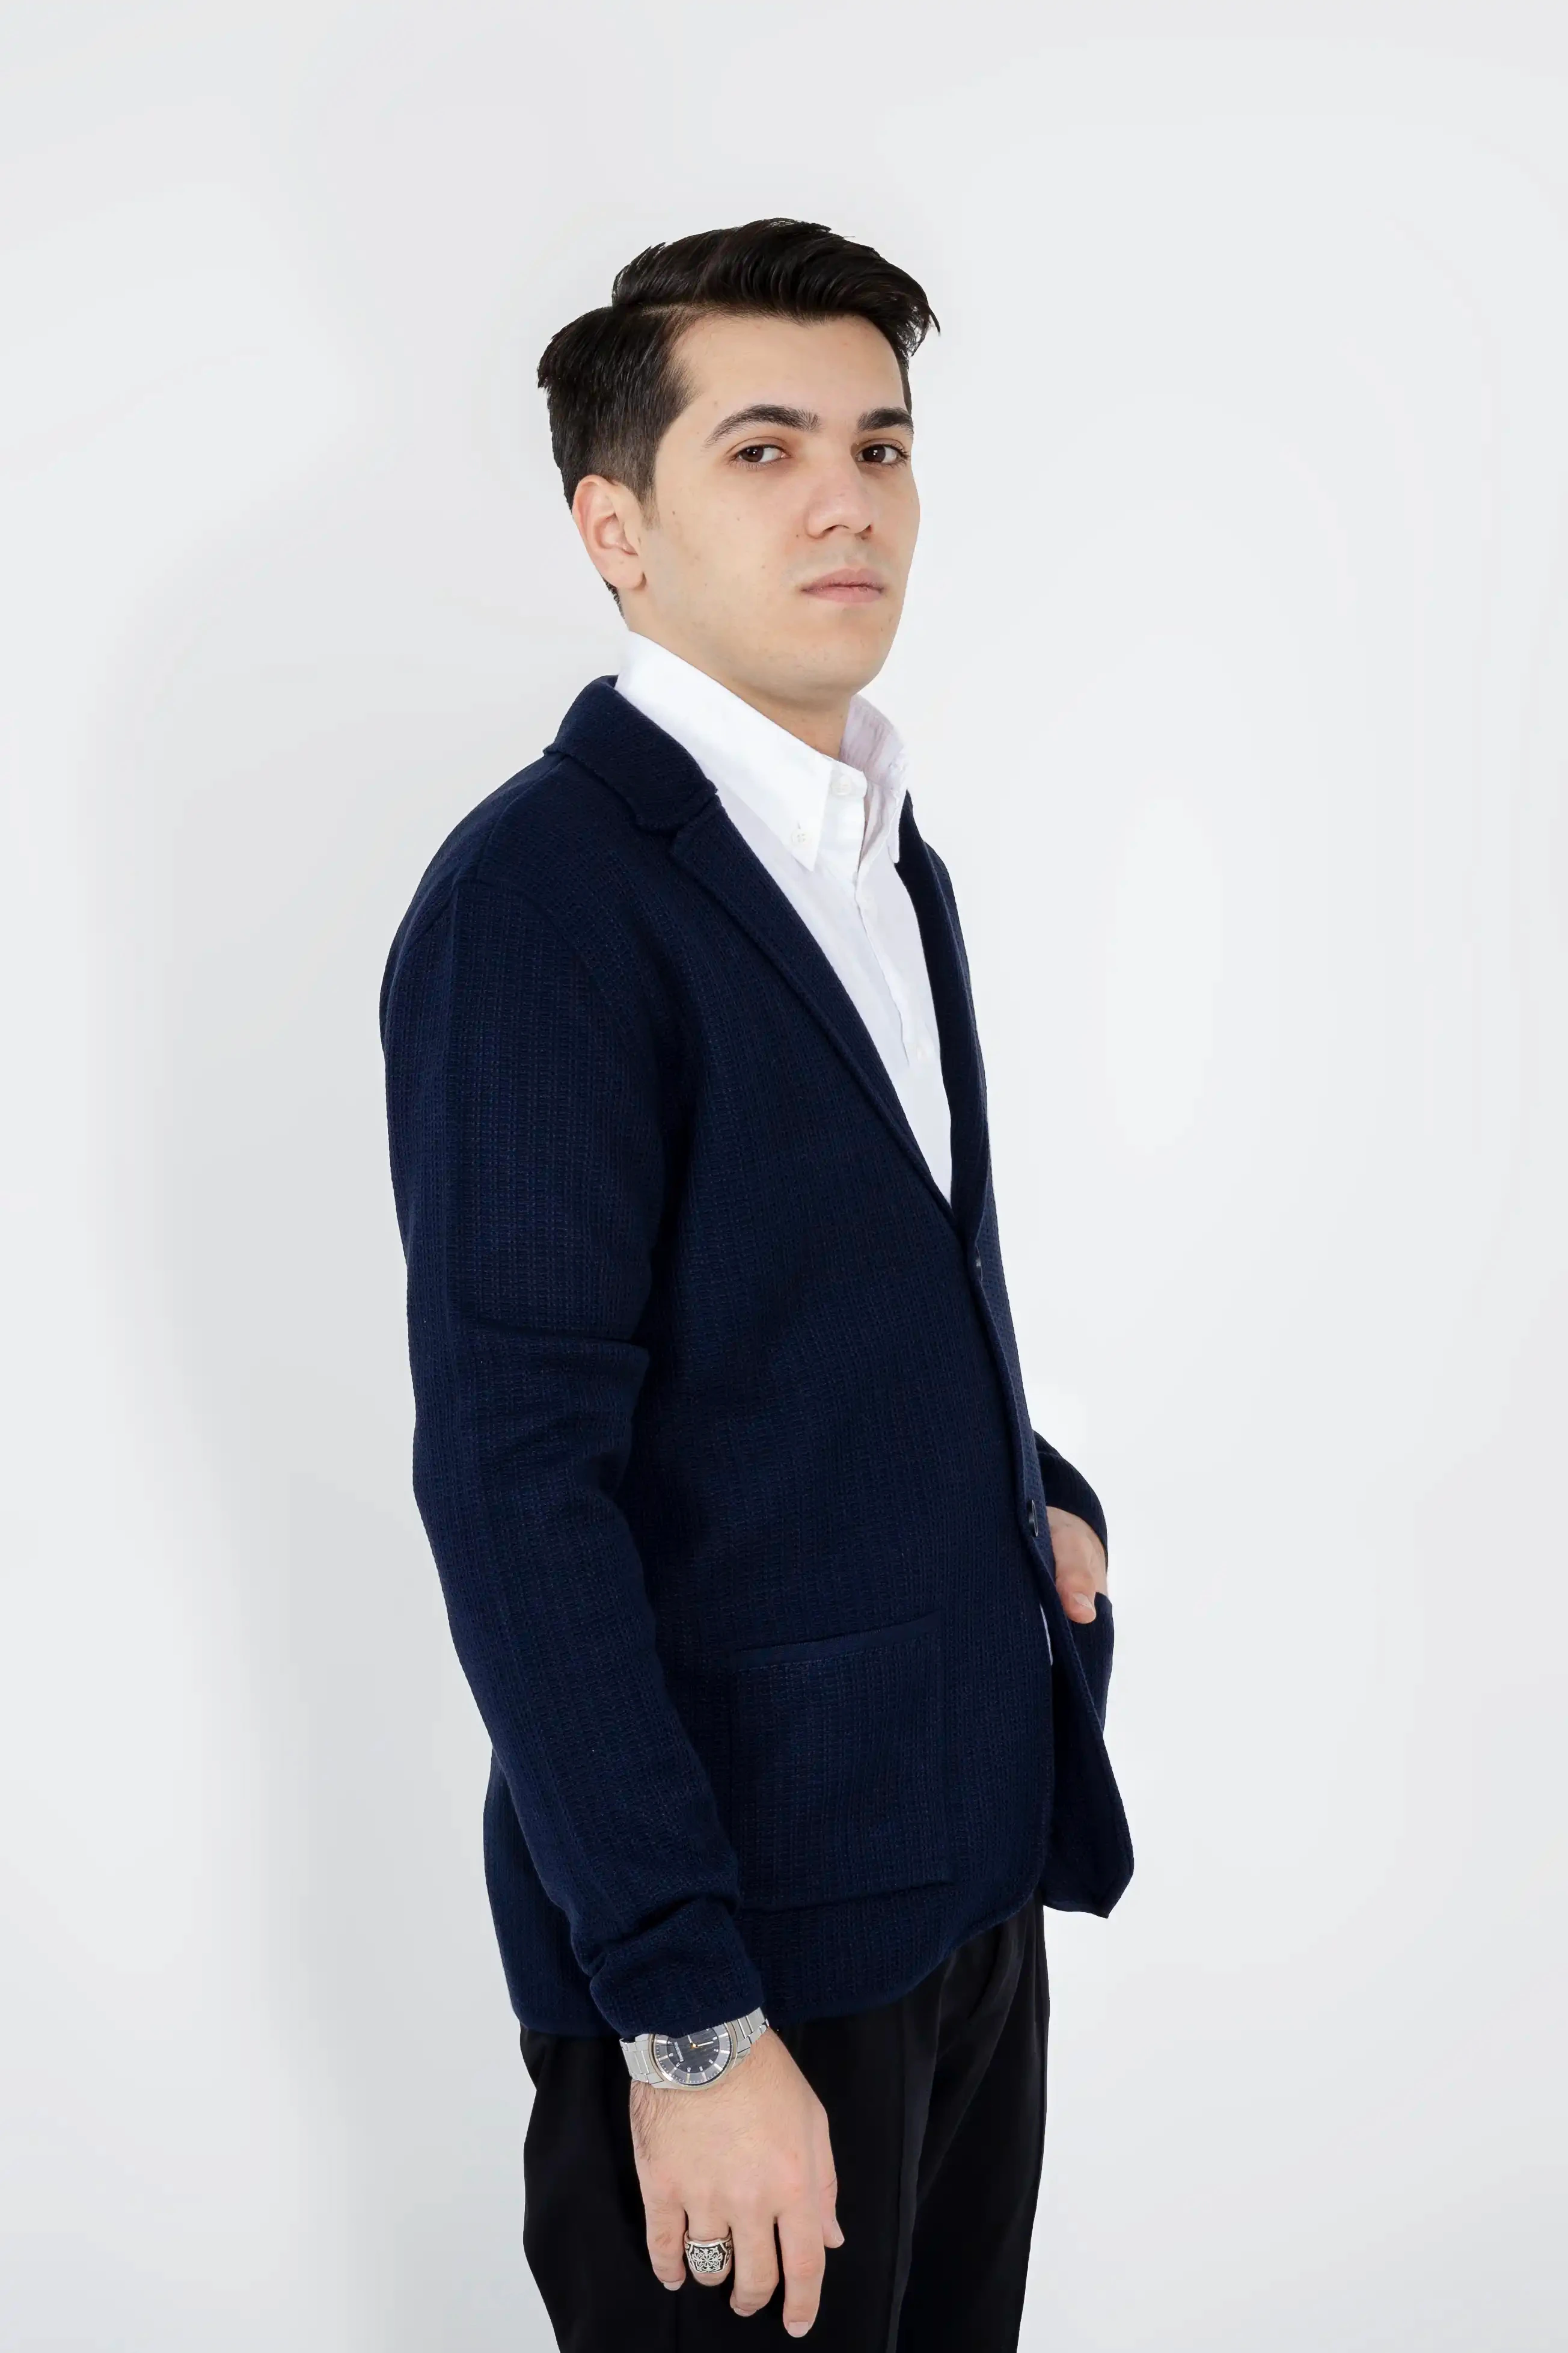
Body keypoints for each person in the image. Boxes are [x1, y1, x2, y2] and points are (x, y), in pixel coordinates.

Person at [379, 216, 1133, 2350]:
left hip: (955, 1884)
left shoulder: (877, 851)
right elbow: (517, 1483)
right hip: (739, 1949)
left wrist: (1021, 1491)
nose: (846, 502)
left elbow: (817, 1305)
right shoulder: (545, 898)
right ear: (614, 529)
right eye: (766, 448)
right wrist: (689, 2021)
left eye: (882, 447)